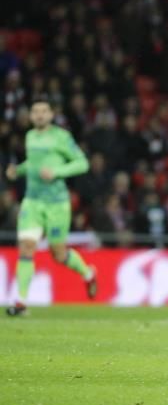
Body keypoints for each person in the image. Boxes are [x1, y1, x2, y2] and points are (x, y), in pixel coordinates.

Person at [4, 99, 97, 316]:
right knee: (26, 247)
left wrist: (57, 172)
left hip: (57, 204)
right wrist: (18, 170)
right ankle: (21, 301)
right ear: (30, 115)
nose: (39, 115)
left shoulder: (61, 137)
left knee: (58, 253)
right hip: (33, 201)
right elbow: (33, 165)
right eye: (35, 111)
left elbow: (82, 163)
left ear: (51, 115)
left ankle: (88, 273)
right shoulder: (30, 136)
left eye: (43, 111)